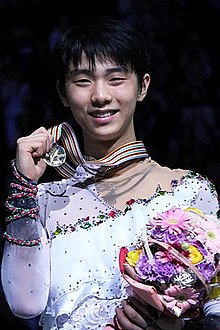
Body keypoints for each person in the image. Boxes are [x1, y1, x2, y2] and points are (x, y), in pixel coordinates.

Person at [1, 16, 220, 330]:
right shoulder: (45, 200)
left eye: (115, 79)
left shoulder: (189, 191)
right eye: (82, 81)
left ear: (142, 86)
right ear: (63, 92)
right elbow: (24, 303)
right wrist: (23, 186)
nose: (100, 95)